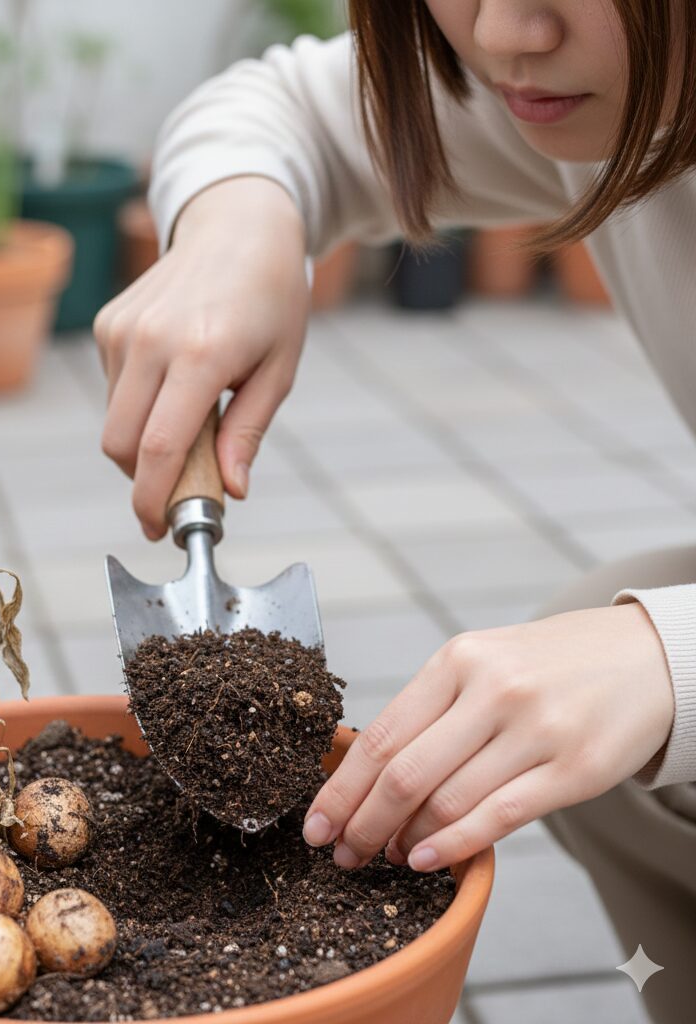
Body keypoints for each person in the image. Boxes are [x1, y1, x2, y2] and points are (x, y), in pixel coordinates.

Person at [93, 3, 695, 1021]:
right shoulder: (604, 81)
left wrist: (666, 654)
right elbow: (285, 108)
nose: (504, 31)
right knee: (580, 710)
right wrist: (239, 223)